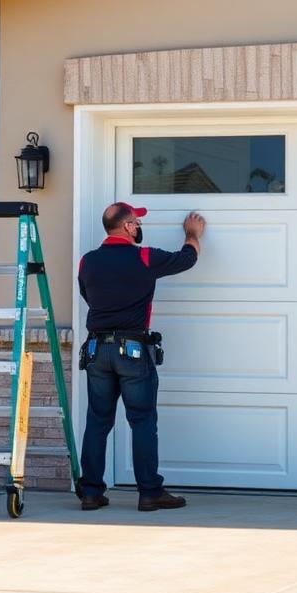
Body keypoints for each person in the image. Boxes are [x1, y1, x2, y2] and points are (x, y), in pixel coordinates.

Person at [77, 202, 206, 512]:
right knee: (143, 420)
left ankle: (91, 492)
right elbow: (187, 259)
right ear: (129, 226)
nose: (138, 226)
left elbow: (87, 295)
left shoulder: (87, 262)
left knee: (97, 421)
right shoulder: (144, 257)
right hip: (132, 350)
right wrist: (192, 234)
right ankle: (150, 492)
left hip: (96, 350)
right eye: (136, 222)